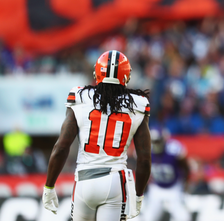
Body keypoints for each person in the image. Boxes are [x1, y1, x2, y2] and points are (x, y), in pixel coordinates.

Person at [42, 50, 152, 221]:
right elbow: (144, 159)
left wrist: (49, 186)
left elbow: (61, 147)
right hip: (115, 181)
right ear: (127, 76)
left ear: (96, 73)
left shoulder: (80, 97)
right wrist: (138, 196)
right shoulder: (137, 103)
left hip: (83, 181)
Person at [141, 129, 192, 221]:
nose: (155, 144)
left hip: (174, 187)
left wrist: (186, 182)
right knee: (148, 217)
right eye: (153, 141)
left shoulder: (173, 149)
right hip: (156, 187)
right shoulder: (146, 151)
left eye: (157, 141)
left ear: (163, 140)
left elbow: (185, 167)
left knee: (183, 217)